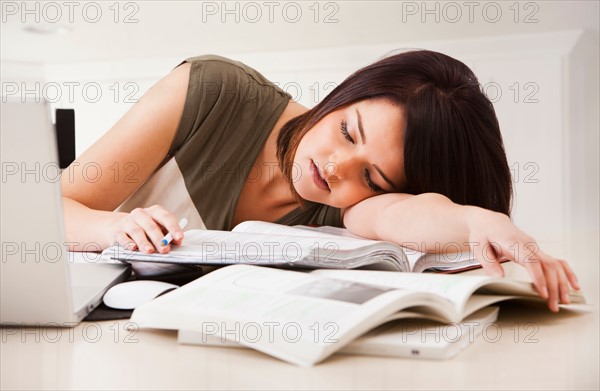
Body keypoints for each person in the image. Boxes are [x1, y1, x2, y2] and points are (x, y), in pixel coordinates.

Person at [61, 50, 580, 312]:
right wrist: (118, 228)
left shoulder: (356, 213)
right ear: (346, 93)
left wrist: (476, 221)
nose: (335, 168)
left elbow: (403, 215)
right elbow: (47, 207)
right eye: (347, 132)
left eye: (371, 177)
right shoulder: (214, 91)